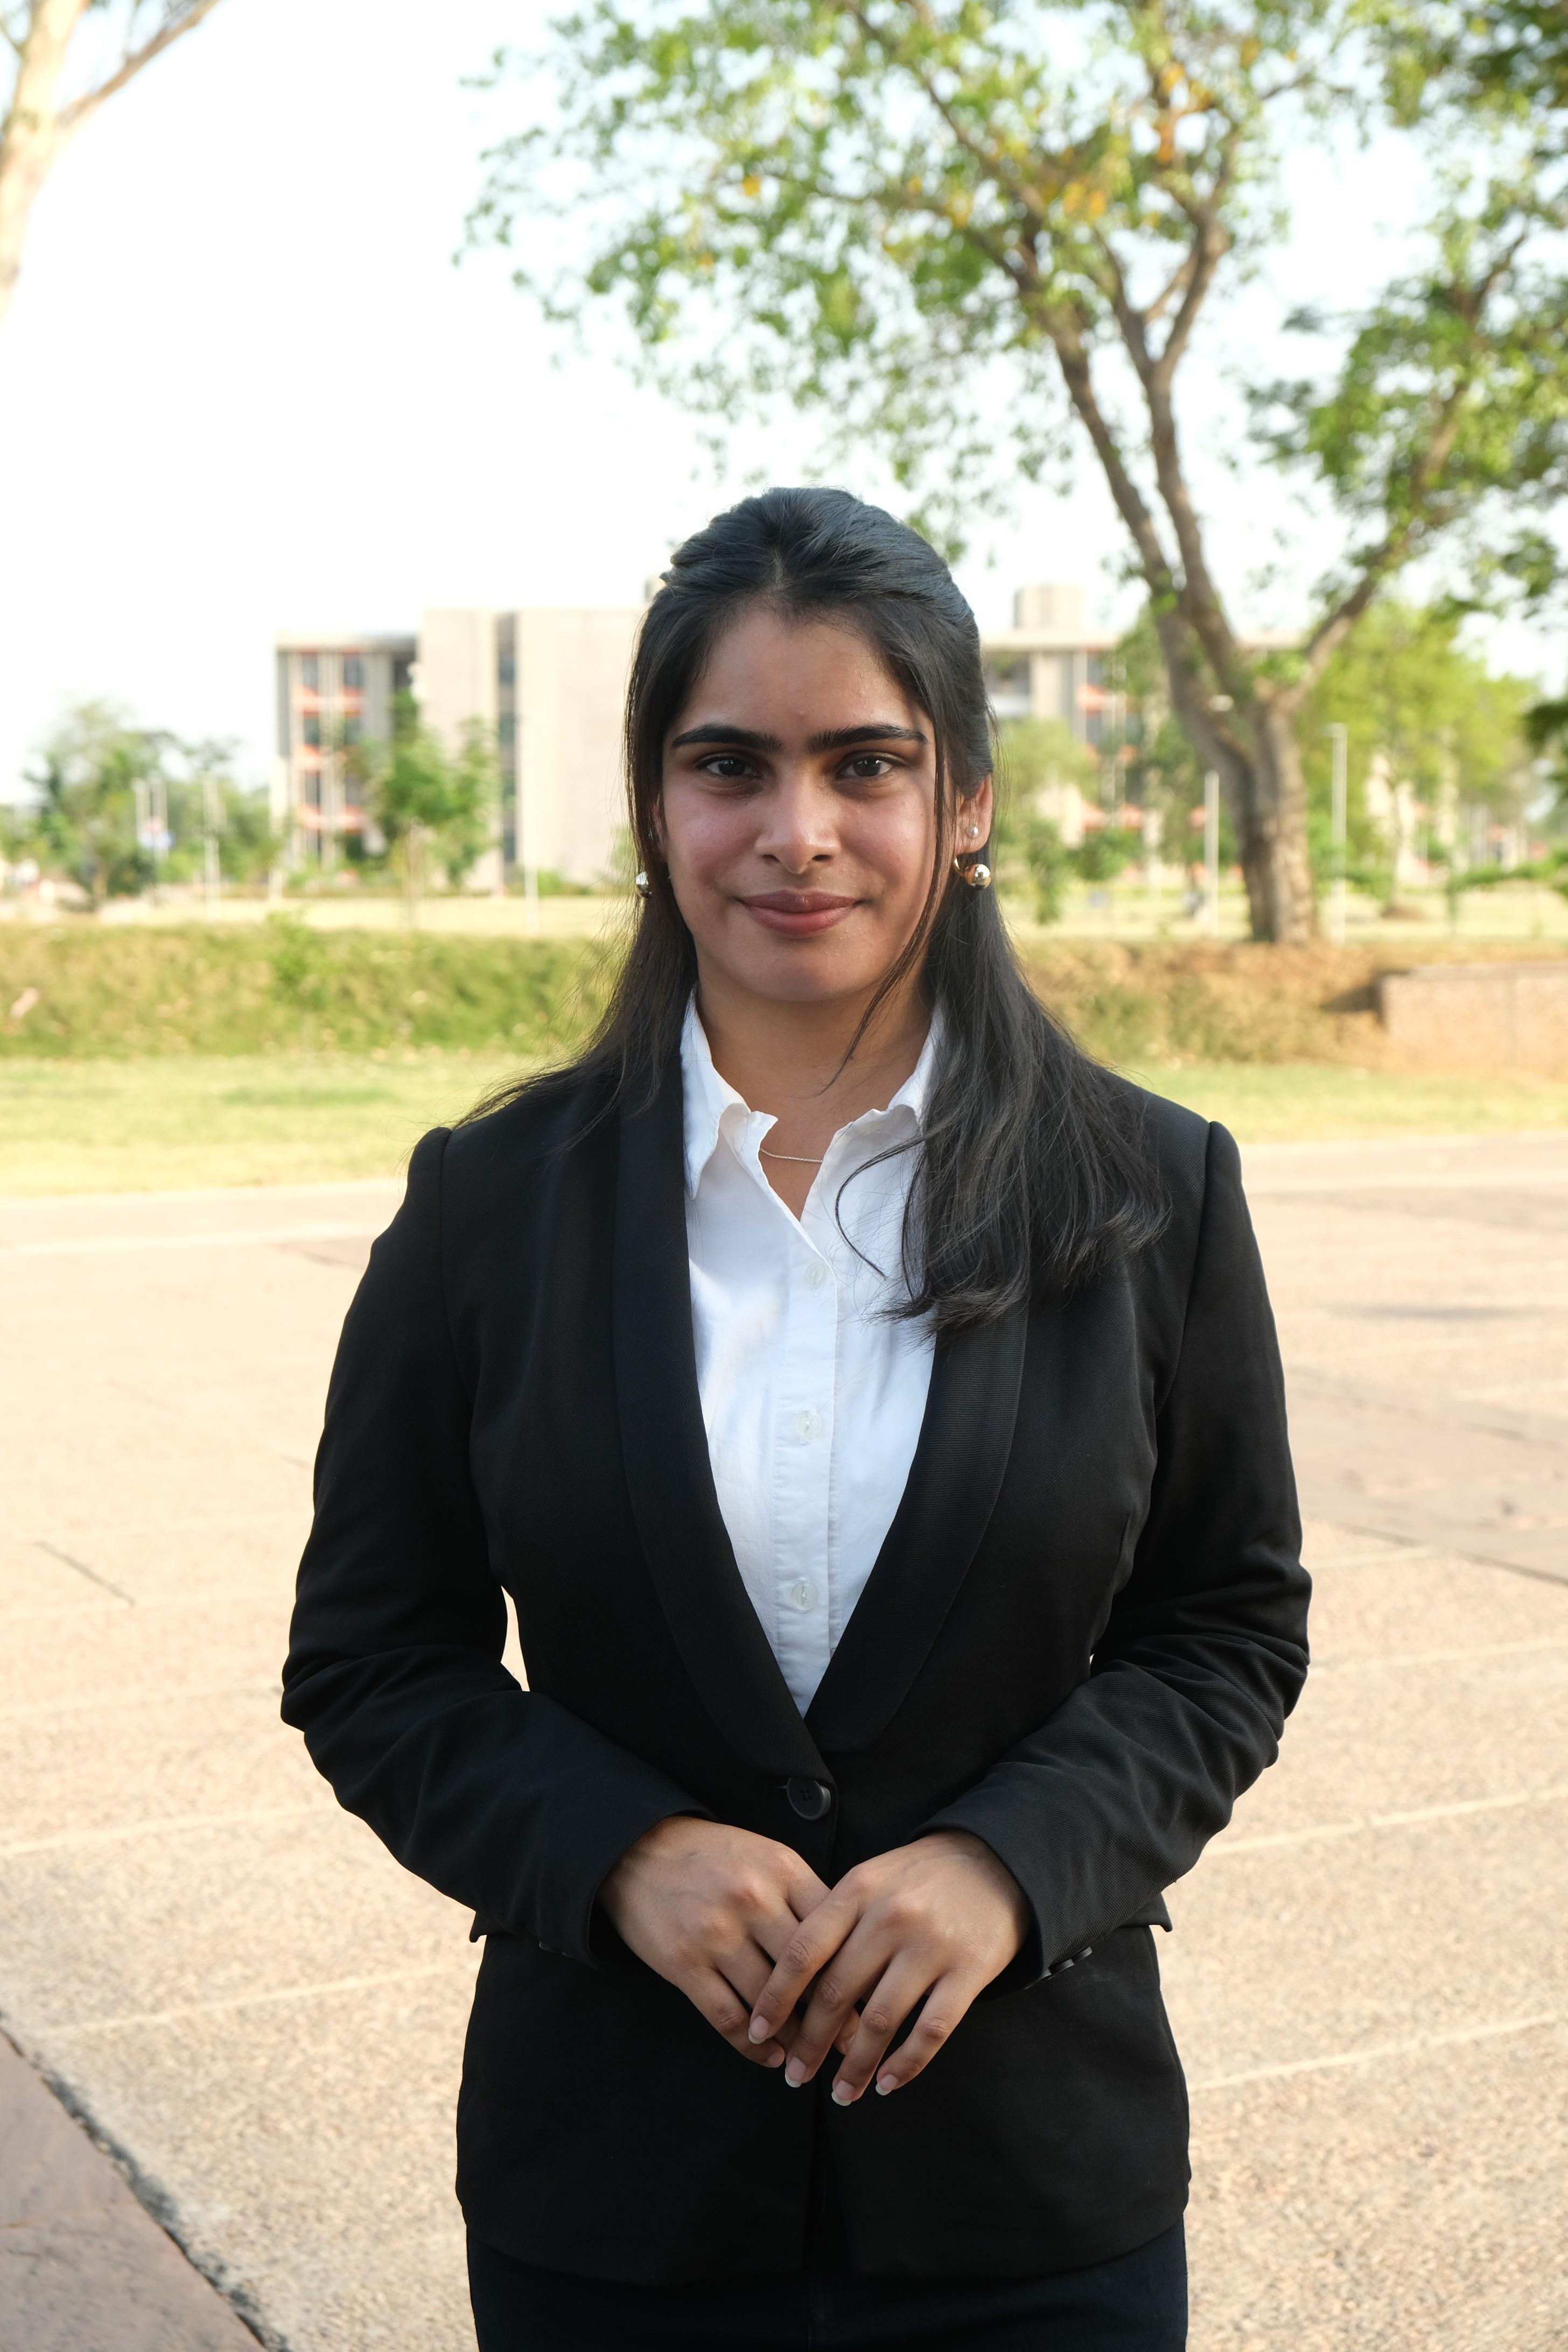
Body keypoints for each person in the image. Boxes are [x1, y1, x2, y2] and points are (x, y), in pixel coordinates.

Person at [281, 487, 1308, 2351]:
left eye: (867, 764)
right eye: (728, 764)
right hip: (617, 2201)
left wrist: (1014, 1862)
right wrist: (617, 1851)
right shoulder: (487, 1209)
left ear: (967, 802)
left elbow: (1225, 1630)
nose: (797, 831)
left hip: (1030, 2206)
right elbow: (373, 1661)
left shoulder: (1153, 1190)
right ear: (655, 806)